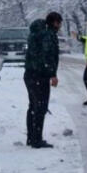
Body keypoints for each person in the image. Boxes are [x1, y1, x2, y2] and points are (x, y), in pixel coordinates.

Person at [24, 12, 61, 149]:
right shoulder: (48, 35)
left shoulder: (36, 33)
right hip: (40, 75)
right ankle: (37, 140)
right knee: (40, 107)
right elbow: (48, 55)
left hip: (29, 74)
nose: (60, 26)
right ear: (55, 22)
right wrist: (52, 74)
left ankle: (31, 137)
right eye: (59, 23)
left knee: (33, 106)